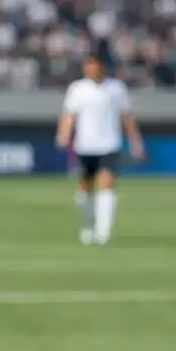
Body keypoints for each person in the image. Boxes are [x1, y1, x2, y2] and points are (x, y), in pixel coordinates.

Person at [56, 53, 144, 245]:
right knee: (84, 190)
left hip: (109, 144)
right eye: (88, 65)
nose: (90, 69)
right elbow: (69, 115)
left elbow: (127, 117)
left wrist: (135, 141)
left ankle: (104, 233)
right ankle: (89, 225)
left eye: (94, 65)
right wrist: (63, 135)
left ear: (102, 67)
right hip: (85, 146)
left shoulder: (116, 88)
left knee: (106, 184)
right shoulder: (78, 89)